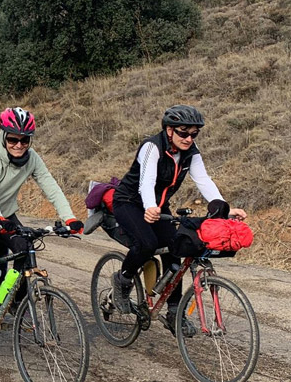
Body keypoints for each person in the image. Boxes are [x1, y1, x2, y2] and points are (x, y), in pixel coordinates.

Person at [101, 104, 247, 337]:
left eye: (193, 134)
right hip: (129, 201)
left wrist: (223, 207)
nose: (189, 138)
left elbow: (204, 180)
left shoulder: (191, 152)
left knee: (176, 248)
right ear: (169, 130)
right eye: (183, 133)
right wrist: (149, 206)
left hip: (158, 206)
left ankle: (173, 312)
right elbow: (146, 182)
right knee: (147, 244)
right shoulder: (152, 146)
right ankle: (123, 279)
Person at [0, 107, 83, 333]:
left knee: (25, 248)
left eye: (25, 140)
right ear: (4, 136)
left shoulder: (32, 159)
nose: (19, 145)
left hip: (5, 216)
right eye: (13, 139)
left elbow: (50, 186)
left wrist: (69, 217)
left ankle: (11, 300)